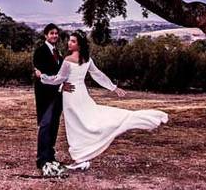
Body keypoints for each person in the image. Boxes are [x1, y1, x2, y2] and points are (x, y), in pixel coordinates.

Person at [35, 30, 168, 171]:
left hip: (72, 96)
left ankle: (80, 157)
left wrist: (42, 76)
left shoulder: (68, 60)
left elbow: (58, 79)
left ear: (79, 45)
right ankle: (81, 158)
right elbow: (98, 75)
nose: (69, 43)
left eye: (73, 41)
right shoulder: (87, 59)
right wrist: (113, 87)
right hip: (81, 93)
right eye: (70, 40)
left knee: (75, 126)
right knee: (87, 121)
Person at [33, 24, 74, 176]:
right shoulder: (40, 51)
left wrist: (63, 84)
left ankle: (50, 155)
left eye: (56, 33)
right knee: (45, 125)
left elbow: (61, 74)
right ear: (46, 35)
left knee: (54, 126)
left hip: (57, 94)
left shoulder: (58, 52)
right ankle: (42, 159)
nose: (55, 36)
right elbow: (42, 73)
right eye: (52, 33)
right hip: (45, 95)